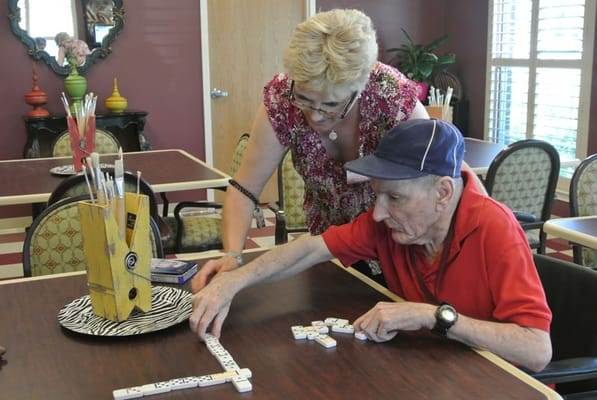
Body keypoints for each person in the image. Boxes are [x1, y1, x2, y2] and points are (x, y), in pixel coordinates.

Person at [189, 119, 552, 372]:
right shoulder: (393, 224)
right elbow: (311, 248)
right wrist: (233, 279)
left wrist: (432, 315)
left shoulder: (494, 228)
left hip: (498, 382)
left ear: (442, 193)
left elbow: (537, 350)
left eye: (394, 198)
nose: (378, 214)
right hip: (433, 370)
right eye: (378, 196)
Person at [193, 9, 484, 288]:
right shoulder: (282, 100)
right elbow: (245, 188)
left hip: (398, 247)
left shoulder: (391, 96)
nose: (315, 115)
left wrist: (490, 234)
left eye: (331, 104)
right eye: (305, 99)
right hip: (328, 249)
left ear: (361, 86)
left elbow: (449, 177)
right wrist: (232, 256)